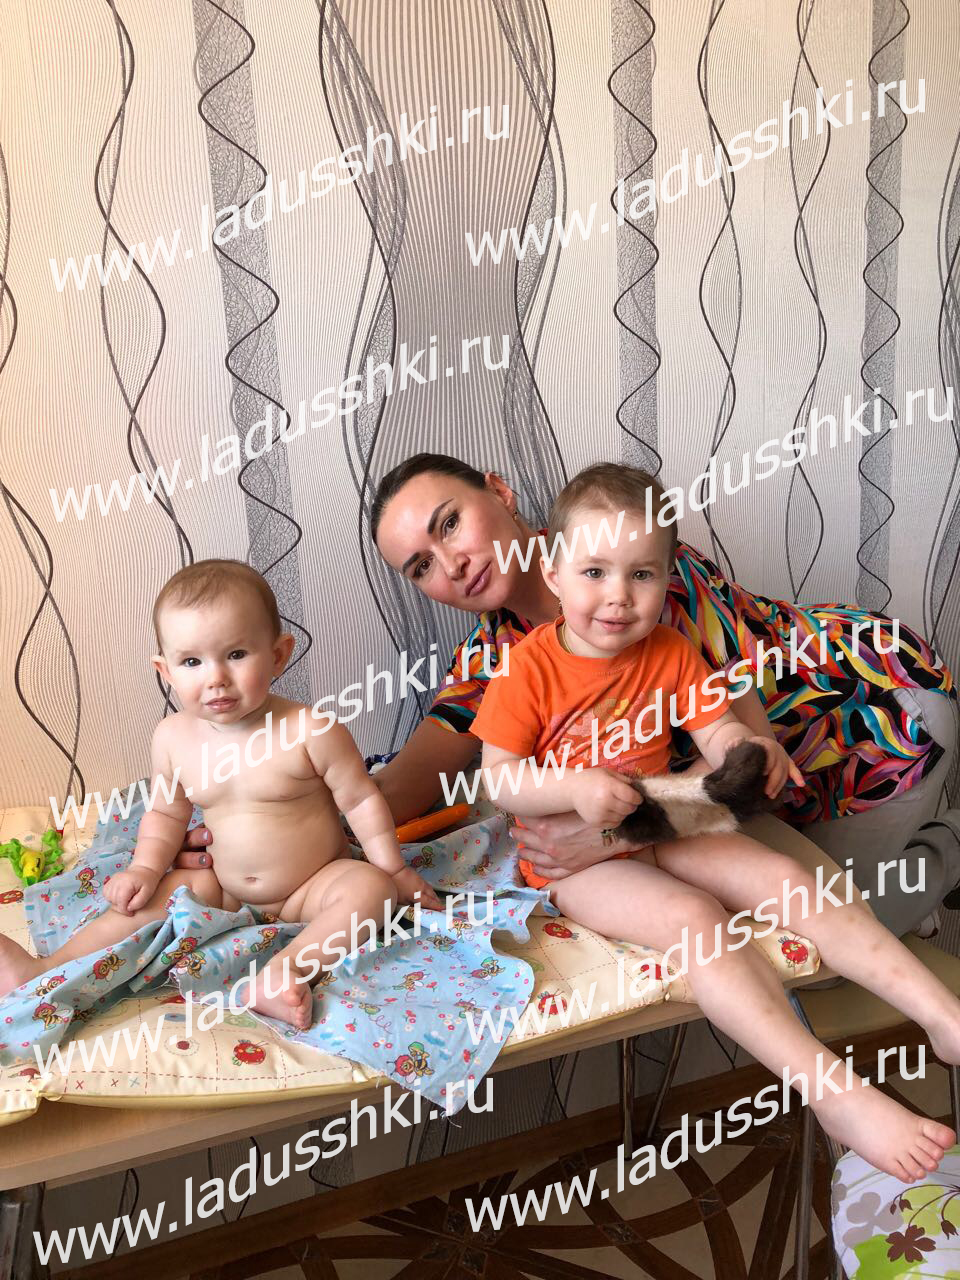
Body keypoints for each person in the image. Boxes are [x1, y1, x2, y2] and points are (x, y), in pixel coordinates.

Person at [470, 462, 959, 1182]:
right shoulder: (526, 668)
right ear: (554, 571)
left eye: (641, 574)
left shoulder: (670, 651)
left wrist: (742, 749)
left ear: (667, 577)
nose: (618, 595)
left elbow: (719, 727)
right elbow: (499, 778)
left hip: (662, 828)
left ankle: (942, 1015)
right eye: (595, 572)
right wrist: (571, 785)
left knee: (788, 879)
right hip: (579, 868)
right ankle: (835, 1095)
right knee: (697, 922)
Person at [0, 561, 440, 1028]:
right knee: (145, 902)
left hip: (313, 884)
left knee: (372, 889)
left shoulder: (310, 729)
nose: (216, 678)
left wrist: (393, 868)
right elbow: (166, 814)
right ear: (165, 671)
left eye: (236, 654)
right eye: (192, 662)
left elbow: (361, 800)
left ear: (278, 655)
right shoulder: (172, 738)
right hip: (224, 889)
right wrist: (145, 867)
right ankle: (46, 969)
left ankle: (284, 971)